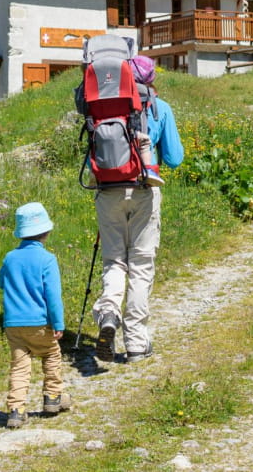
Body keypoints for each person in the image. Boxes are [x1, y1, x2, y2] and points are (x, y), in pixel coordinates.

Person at [93, 56, 183, 363]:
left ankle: (108, 313)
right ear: (151, 78)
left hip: (107, 190)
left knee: (115, 261)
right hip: (145, 188)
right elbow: (175, 158)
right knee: (141, 265)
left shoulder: (102, 106)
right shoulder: (160, 107)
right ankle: (135, 343)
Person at [0, 202, 70, 429]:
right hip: (40, 322)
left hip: (13, 324)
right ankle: (52, 397)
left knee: (19, 366)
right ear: (46, 232)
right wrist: (58, 323)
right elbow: (53, 296)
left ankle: (16, 410)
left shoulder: (10, 258)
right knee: (51, 355)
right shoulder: (47, 259)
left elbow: (1, 282)